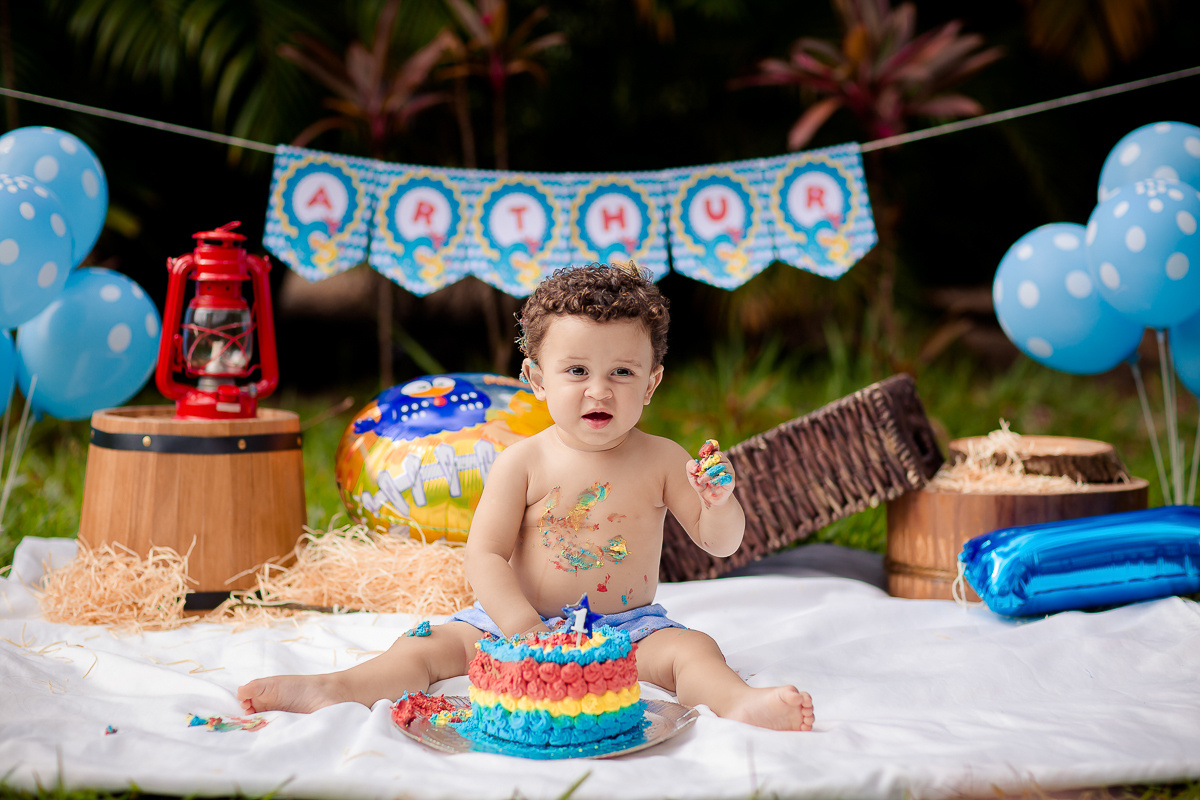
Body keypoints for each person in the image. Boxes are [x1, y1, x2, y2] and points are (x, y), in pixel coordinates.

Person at [238, 263, 815, 732]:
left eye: (621, 372)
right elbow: (485, 554)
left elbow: (721, 544)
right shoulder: (522, 461)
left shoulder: (664, 460)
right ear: (537, 379)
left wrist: (719, 504)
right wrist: (521, 626)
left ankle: (738, 702)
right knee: (422, 647)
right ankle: (337, 688)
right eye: (576, 370)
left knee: (695, 649)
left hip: (627, 630)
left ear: (652, 382)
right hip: (511, 625)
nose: (599, 390)